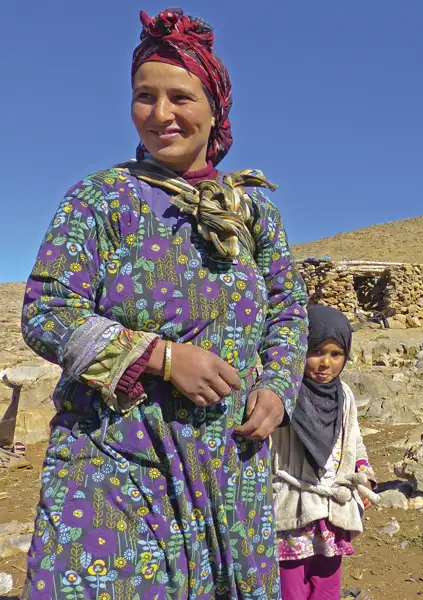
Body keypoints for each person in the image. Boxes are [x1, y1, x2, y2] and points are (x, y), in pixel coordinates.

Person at [20, 8, 308, 599]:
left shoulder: (252, 215)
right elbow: (47, 310)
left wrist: (278, 387)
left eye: (181, 96)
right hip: (116, 462)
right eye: (144, 96)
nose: (161, 114)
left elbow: (288, 307)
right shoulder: (102, 198)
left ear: (214, 109)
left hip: (230, 472)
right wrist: (162, 358)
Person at [270, 304, 378, 600]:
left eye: (335, 354)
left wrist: (363, 471)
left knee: (327, 586)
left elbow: (353, 437)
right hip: (293, 505)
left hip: (333, 509)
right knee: (291, 587)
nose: (325, 363)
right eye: (315, 351)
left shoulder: (344, 395)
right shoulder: (283, 392)